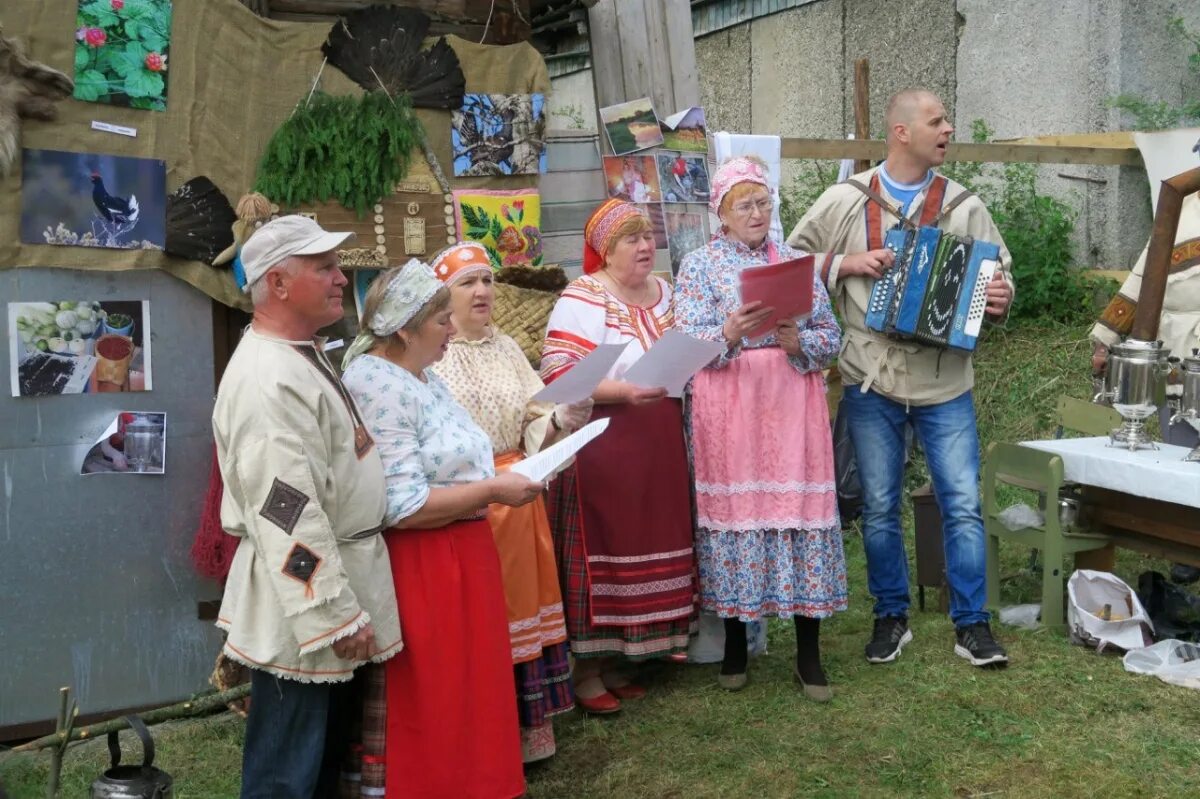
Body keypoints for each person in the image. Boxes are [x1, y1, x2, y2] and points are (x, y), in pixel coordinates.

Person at [788, 88, 1015, 668]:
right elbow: (783, 263)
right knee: (881, 504)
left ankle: (973, 625)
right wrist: (846, 264)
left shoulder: (964, 205)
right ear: (901, 132)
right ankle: (891, 617)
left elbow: (1001, 275)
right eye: (936, 121)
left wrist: (1000, 294)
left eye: (946, 121)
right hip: (871, 376)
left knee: (962, 503)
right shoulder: (846, 200)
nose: (947, 129)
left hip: (946, 381)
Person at [212, 215, 403, 799]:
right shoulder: (268, 378)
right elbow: (286, 513)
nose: (341, 279)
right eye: (323, 268)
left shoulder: (296, 354)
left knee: (318, 763)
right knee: (286, 773)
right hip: (301, 605)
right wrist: (331, 616)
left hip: (336, 577)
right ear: (277, 283)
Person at [341, 258, 542, 798]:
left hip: (461, 549)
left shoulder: (419, 375)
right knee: (437, 693)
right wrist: (495, 491)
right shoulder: (376, 383)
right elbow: (402, 505)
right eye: (440, 322)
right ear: (404, 328)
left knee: (469, 687)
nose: (452, 330)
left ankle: (476, 783)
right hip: (426, 559)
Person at [675, 156, 847, 699]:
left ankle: (809, 655)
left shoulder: (796, 261)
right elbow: (685, 343)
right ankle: (733, 646)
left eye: (764, 201)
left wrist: (800, 342)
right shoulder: (699, 266)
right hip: (731, 407)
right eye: (745, 204)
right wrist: (729, 328)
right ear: (721, 214)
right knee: (739, 519)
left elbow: (832, 336)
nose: (758, 211)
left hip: (791, 403)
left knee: (799, 517)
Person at [428, 241, 592, 763]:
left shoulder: (508, 349)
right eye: (467, 283)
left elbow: (532, 417)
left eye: (486, 281)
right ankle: (481, 736)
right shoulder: (432, 357)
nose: (481, 292)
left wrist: (562, 419)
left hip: (520, 499)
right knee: (480, 621)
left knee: (521, 612)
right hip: (466, 503)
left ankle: (527, 735)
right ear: (442, 298)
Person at [540, 198, 696, 713]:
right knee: (606, 551)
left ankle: (625, 658)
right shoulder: (582, 296)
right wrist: (624, 392)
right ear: (605, 251)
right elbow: (560, 377)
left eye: (648, 236)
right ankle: (587, 670)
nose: (646, 246)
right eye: (631, 238)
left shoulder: (668, 293)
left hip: (660, 445)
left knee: (649, 540)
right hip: (604, 446)